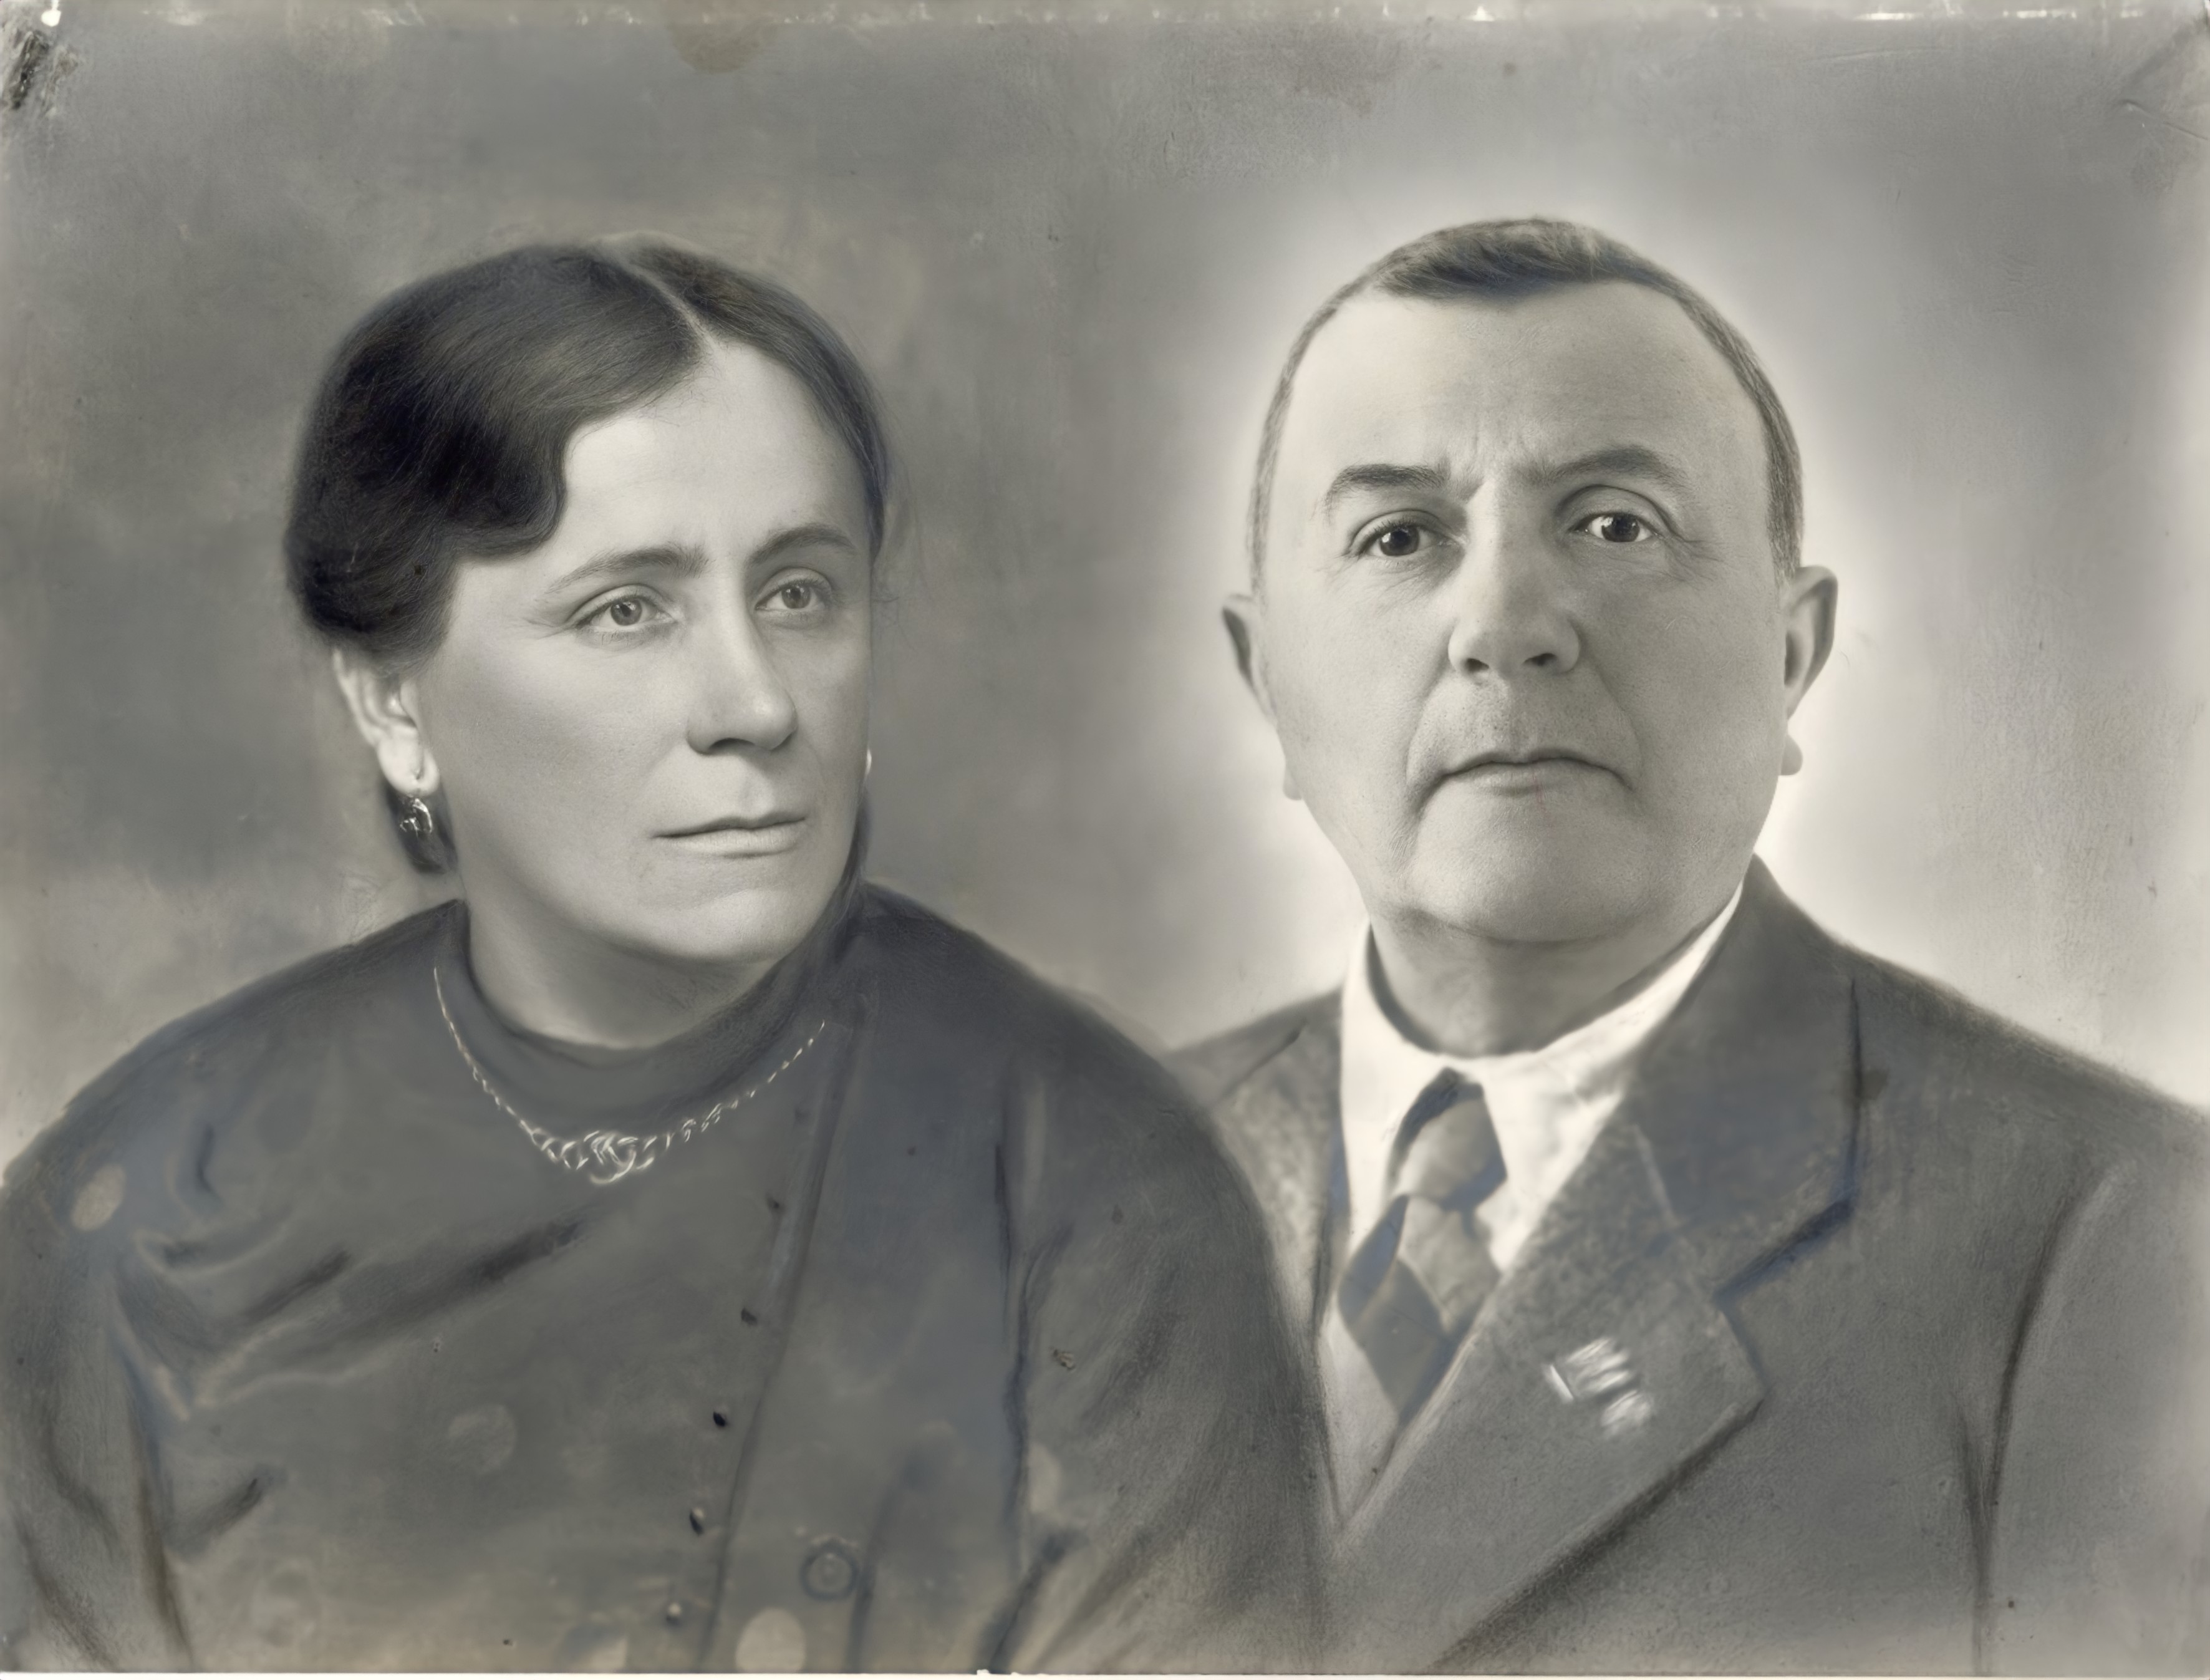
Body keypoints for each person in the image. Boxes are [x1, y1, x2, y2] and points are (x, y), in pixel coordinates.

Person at [0, 239, 1322, 1673]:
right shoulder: (141, 1211)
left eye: (800, 593)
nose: (755, 704)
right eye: (626, 609)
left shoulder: (1087, 1185)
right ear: (393, 702)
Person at [1175, 218, 2210, 1674]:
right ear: (1265, 680)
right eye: (1398, 537)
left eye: (1614, 525)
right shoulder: (1063, 1180)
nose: (1503, 626)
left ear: (1791, 655)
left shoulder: (2118, 1234)